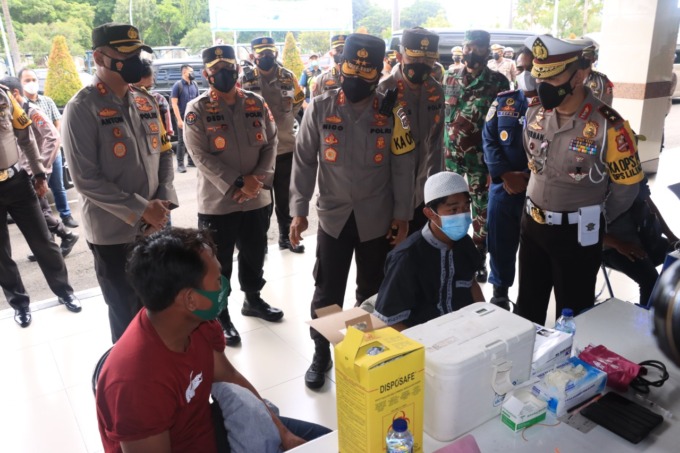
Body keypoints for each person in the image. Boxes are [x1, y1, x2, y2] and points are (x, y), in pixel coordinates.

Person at [96, 227, 330, 452]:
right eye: (218, 280)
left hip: (211, 430)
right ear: (190, 300)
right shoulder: (136, 384)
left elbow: (229, 376)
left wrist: (283, 434)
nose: (224, 287)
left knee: (331, 441)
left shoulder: (197, 324)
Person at [290, 33, 416, 390]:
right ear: (340, 66)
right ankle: (322, 352)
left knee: (371, 290)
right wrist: (298, 210)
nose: (357, 77)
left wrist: (403, 215)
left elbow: (403, 167)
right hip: (333, 217)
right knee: (327, 290)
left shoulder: (393, 112)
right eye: (352, 68)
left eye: (367, 70)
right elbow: (304, 161)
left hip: (378, 218)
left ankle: (364, 351)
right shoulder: (320, 107)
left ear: (379, 72)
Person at [62, 23, 178, 343]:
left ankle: (160, 364)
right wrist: (142, 210)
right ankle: (130, 371)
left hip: (156, 224)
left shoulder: (145, 101)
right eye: (126, 55)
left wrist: (162, 203)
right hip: (114, 234)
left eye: (138, 53)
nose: (135, 61)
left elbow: (165, 153)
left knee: (160, 303)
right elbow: (85, 179)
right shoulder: (81, 108)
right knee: (126, 313)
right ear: (100, 58)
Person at [515, 34, 642, 325]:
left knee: (573, 315)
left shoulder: (609, 125)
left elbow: (627, 186)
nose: (544, 85)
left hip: (577, 234)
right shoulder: (535, 113)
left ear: (579, 76)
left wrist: (597, 218)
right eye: (540, 77)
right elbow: (532, 161)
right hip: (532, 226)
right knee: (527, 309)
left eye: (553, 77)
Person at [184, 45, 285, 348]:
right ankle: (220, 315)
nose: (223, 73)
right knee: (218, 264)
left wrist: (257, 180)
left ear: (238, 69)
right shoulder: (197, 109)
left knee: (255, 253)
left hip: (257, 198)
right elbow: (199, 155)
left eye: (228, 66)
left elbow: (272, 142)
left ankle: (253, 299)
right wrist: (239, 182)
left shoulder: (256, 102)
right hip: (218, 202)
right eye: (215, 69)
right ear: (206, 74)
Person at [0, 84, 81, 328]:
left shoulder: (3, 95)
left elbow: (25, 136)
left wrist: (38, 173)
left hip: (17, 182)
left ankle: (64, 291)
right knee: (1, 255)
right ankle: (20, 304)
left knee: (43, 242)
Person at [373, 172, 484, 330]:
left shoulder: (464, 243)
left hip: (463, 329)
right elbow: (388, 322)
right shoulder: (406, 258)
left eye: (466, 207)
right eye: (453, 210)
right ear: (430, 213)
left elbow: (471, 283)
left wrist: (484, 319)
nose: (463, 215)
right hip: (422, 337)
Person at [443, 30, 510, 283]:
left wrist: (498, 166)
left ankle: (478, 258)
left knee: (482, 211)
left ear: (487, 50)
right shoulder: (449, 77)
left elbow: (502, 126)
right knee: (450, 205)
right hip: (451, 158)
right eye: (468, 47)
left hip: (481, 161)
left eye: (478, 48)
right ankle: (451, 252)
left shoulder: (498, 82)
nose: (472, 52)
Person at [481, 47, 536, 310]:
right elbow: (489, 139)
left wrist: (529, 179)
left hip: (538, 190)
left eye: (532, 69)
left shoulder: (556, 107)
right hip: (504, 187)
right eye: (522, 69)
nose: (527, 74)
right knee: (500, 242)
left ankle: (529, 297)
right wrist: (504, 174)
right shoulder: (504, 102)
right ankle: (500, 293)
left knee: (534, 250)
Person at [1, 76, 79, 260]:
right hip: (26, 169)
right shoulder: (19, 112)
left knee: (39, 211)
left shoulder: (31, 111)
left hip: (37, 169)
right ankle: (47, 246)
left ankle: (66, 235)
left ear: (14, 94)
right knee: (42, 209)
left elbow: (53, 137)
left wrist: (41, 168)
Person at [239, 37, 306, 254]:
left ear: (275, 53)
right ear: (253, 56)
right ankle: (261, 242)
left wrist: (285, 122)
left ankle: (287, 237)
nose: (267, 56)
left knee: (286, 199)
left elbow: (297, 101)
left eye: (270, 52)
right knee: (261, 201)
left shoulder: (288, 76)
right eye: (262, 53)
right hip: (257, 152)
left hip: (285, 147)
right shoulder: (244, 79)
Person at [377, 27, 444, 233]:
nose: (422, 64)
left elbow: (436, 144)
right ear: (399, 56)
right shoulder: (384, 90)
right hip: (390, 192)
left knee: (418, 245)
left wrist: (436, 190)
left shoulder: (435, 90)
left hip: (423, 192)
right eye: (414, 58)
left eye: (428, 60)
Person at [602, 177, 679, 305]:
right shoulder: (597, 177)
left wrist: (671, 236)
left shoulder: (633, 171)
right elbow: (588, 228)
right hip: (612, 245)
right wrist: (618, 244)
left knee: (676, 255)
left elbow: (649, 204)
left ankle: (669, 306)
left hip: (644, 235)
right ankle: (645, 316)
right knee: (650, 280)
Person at [18, 68, 78, 228]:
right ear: (20, 84)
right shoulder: (21, 106)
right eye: (27, 80)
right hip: (34, 156)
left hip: (53, 153)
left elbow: (57, 123)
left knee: (59, 187)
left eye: (33, 80)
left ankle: (66, 216)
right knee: (40, 192)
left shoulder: (47, 101)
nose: (31, 83)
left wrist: (53, 140)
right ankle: (49, 224)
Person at [171, 64, 199, 172]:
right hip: (182, 117)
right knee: (181, 140)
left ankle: (191, 161)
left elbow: (197, 101)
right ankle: (180, 164)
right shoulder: (178, 85)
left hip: (192, 117)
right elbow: (174, 104)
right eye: (190, 72)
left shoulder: (194, 84)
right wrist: (179, 120)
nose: (192, 74)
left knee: (192, 139)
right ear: (184, 72)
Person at [135, 59, 174, 136]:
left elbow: (168, 133)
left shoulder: (159, 100)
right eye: (138, 89)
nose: (144, 94)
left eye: (148, 89)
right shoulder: (124, 103)